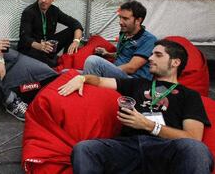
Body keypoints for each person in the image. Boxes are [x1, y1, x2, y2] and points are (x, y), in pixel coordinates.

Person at [58, 39, 213, 174]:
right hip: (127, 147)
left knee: (196, 150)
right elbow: (99, 81)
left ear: (175, 62)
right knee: (84, 149)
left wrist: (149, 125)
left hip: (164, 149)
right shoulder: (137, 83)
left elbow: (193, 138)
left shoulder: (189, 95)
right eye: (151, 54)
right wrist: (82, 77)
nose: (150, 58)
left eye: (158, 55)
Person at [84, 0, 157, 80]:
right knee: (69, 72)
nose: (120, 22)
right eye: (120, 18)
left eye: (125, 19)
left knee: (92, 61)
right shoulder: (124, 33)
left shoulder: (149, 40)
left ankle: (93, 88)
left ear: (138, 20)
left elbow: (131, 68)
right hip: (116, 73)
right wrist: (107, 53)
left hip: (133, 80)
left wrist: (107, 70)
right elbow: (123, 55)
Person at [17, 0, 84, 67]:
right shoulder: (29, 12)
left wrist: (76, 41)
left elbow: (75, 23)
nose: (43, 0)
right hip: (33, 48)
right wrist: (40, 46)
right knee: (53, 64)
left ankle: (67, 59)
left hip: (48, 45)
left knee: (71, 31)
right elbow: (24, 37)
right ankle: (54, 61)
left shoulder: (54, 10)